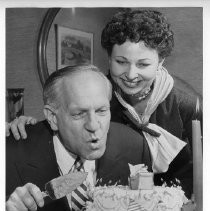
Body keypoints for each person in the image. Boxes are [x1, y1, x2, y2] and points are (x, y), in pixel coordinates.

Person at [7, 9, 202, 198]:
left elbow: (198, 169)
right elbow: (65, 117)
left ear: (161, 62)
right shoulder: (99, 92)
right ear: (109, 58)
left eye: (143, 64)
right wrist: (27, 129)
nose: (131, 75)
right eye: (121, 62)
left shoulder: (189, 104)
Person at [6, 64, 152, 211]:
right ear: (52, 118)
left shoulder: (135, 146)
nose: (94, 125)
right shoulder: (9, 154)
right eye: (79, 114)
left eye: (101, 110)